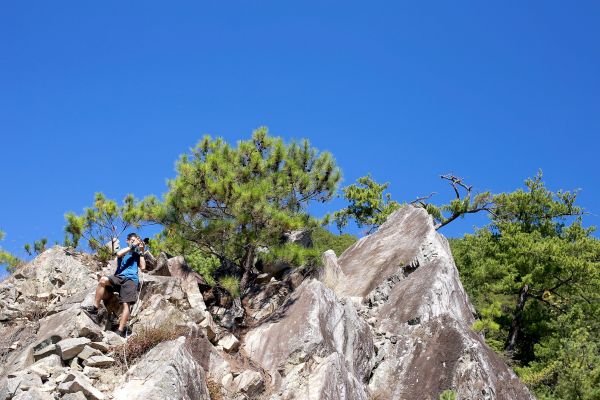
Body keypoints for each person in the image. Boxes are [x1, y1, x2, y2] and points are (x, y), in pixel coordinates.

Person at [82, 232, 146, 337]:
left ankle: (120, 330)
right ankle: (95, 308)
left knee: (126, 304)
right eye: (133, 240)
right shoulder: (126, 251)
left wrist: (142, 252)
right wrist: (133, 246)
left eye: (136, 241)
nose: (135, 243)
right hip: (119, 277)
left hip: (131, 280)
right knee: (103, 280)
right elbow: (118, 254)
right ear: (128, 241)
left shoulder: (137, 254)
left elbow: (143, 267)